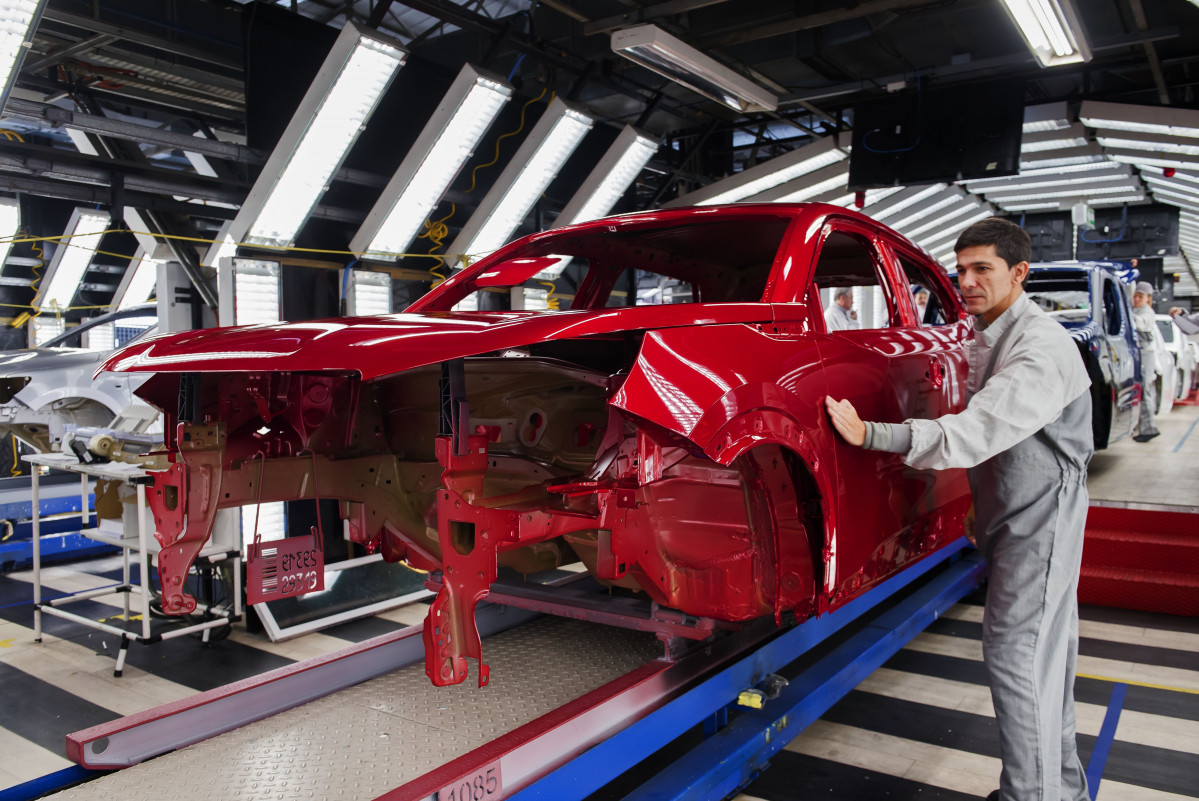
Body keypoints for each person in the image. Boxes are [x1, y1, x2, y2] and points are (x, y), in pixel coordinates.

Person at [824, 217, 1091, 801]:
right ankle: (1060, 790)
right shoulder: (985, 333)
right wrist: (980, 501)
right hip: (1012, 509)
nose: (966, 281)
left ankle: (1031, 796)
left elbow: (978, 430)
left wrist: (873, 434)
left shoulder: (1041, 347)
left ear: (1019, 273)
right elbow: (1007, 446)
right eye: (960, 269)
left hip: (1042, 518)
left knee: (1019, 656)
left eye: (982, 269)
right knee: (1043, 661)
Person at [1131, 281, 1162, 442]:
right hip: (1140, 354)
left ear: (1148, 298)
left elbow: (1141, 324)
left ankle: (1149, 428)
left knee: (1144, 391)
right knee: (1141, 391)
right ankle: (1143, 427)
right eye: (1135, 296)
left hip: (1146, 355)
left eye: (1140, 296)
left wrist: (1127, 314)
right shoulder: (1137, 310)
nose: (1136, 299)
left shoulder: (1147, 312)